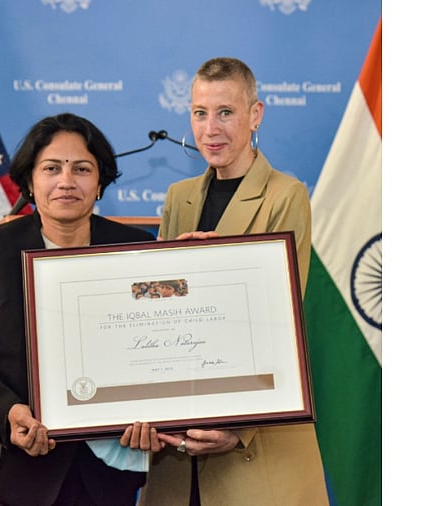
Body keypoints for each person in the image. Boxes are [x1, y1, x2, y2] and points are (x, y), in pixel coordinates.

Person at [0, 112, 162, 506]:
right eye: (52, 168)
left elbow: (157, 347)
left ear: (100, 183)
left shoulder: (135, 249)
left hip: (100, 483)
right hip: (3, 480)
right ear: (30, 182)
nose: (66, 181)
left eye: (82, 169)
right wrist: (8, 412)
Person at [137, 57, 330, 505]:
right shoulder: (178, 197)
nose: (211, 129)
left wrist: (238, 428)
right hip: (176, 446)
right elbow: (157, 316)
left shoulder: (285, 195)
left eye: (225, 112)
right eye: (200, 113)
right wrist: (164, 280)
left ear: (255, 114)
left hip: (253, 442)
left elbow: (278, 321)